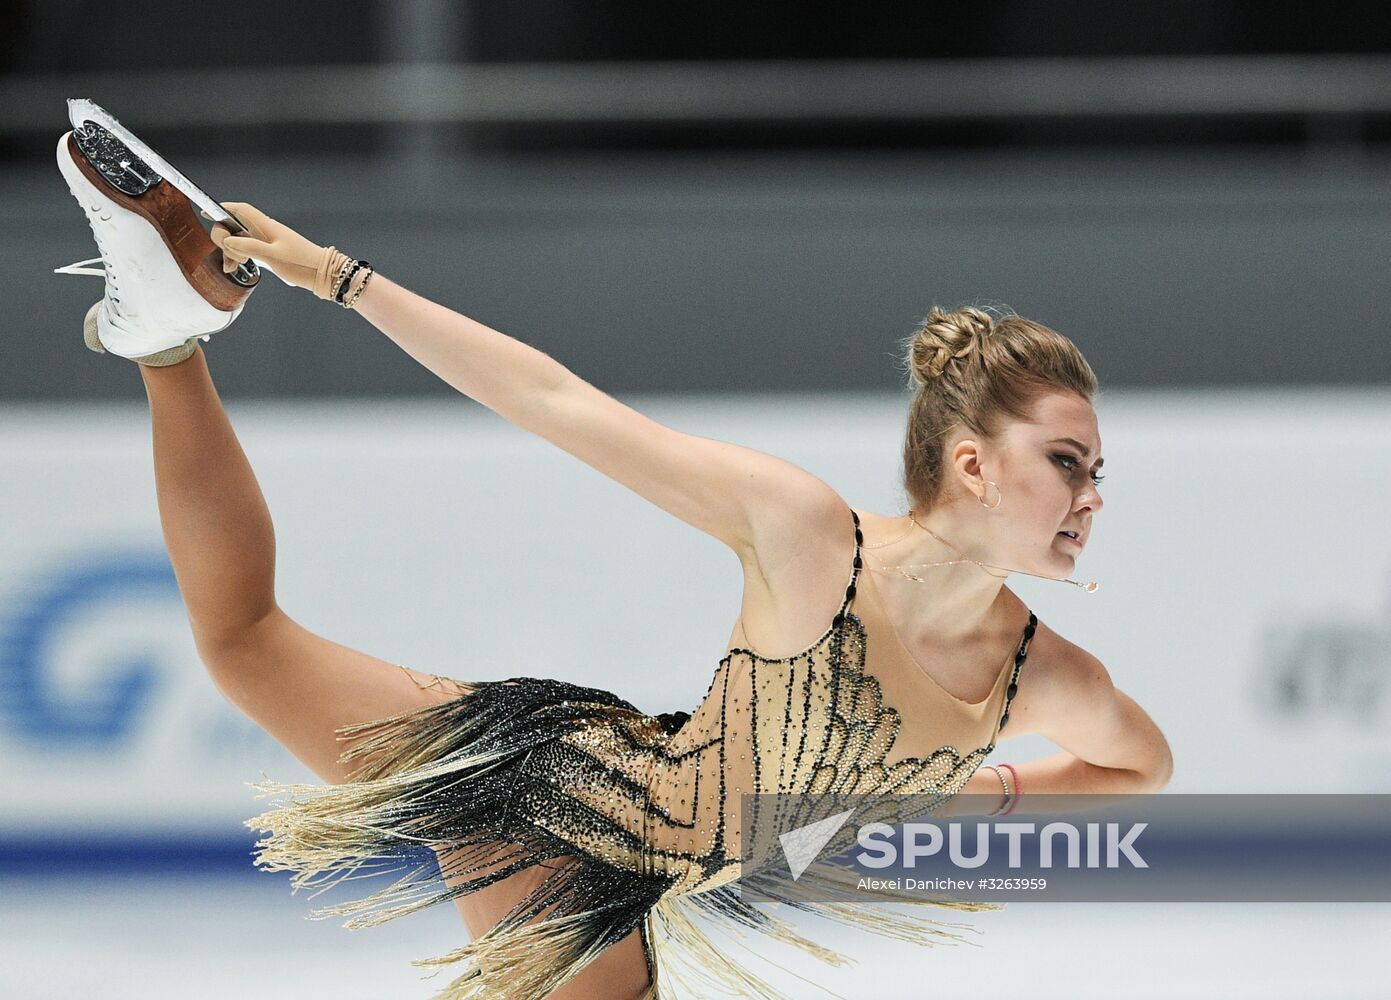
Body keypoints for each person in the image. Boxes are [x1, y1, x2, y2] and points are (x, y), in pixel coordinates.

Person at [55, 128, 1173, 1000]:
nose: (1090, 496)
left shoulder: (1043, 676)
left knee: (243, 642)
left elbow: (1141, 769)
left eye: (1095, 467)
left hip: (615, 879)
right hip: (553, 791)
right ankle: (166, 333)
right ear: (972, 464)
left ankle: (161, 333)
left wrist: (966, 796)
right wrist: (335, 276)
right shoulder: (809, 537)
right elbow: (552, 400)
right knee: (243, 638)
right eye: (1066, 462)